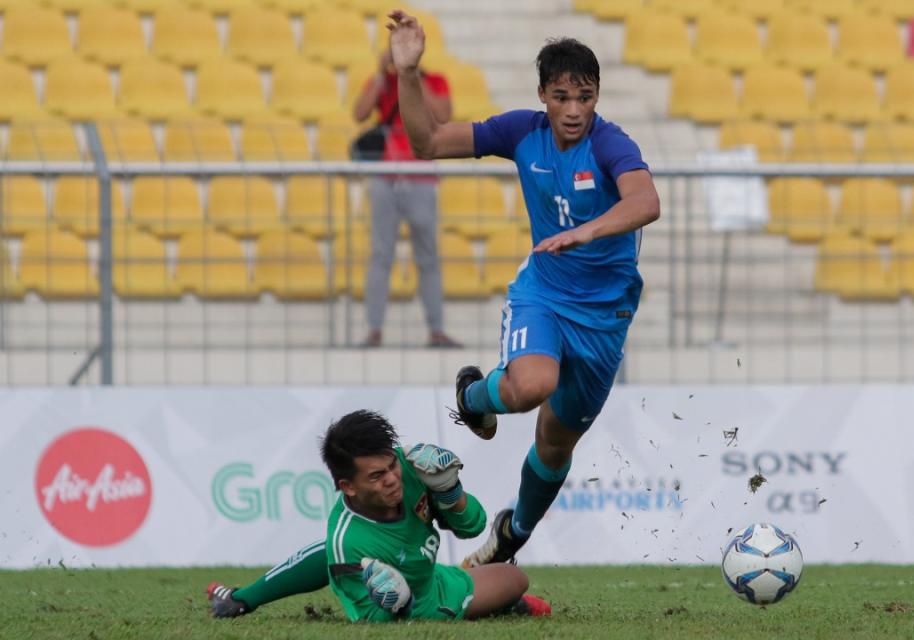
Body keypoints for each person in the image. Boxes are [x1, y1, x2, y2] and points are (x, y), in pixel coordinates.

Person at [386, 11, 661, 566]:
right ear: (543, 94)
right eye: (562, 97)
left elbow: (645, 202)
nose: (574, 110)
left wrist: (588, 229)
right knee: (533, 383)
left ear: (597, 95)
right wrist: (409, 74)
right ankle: (473, 396)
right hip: (544, 293)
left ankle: (512, 533)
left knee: (555, 445)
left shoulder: (611, 144)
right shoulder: (522, 132)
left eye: (585, 96)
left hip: (604, 319)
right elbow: (430, 141)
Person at [206, 410, 551, 621]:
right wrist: (396, 606)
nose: (392, 479)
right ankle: (241, 599)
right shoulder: (347, 542)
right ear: (348, 486)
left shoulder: (412, 464)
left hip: (434, 579)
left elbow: (472, 525)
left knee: (516, 579)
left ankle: (476, 580)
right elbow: (366, 620)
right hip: (420, 607)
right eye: (376, 476)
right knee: (327, 552)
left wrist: (450, 491)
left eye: (391, 465)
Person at [352, 47, 462, 349]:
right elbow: (359, 113)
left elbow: (442, 114)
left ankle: (436, 330)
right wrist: (380, 74)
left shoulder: (434, 80)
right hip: (385, 175)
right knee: (381, 254)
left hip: (420, 174)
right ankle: (374, 330)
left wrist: (411, 77)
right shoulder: (382, 83)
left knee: (428, 255)